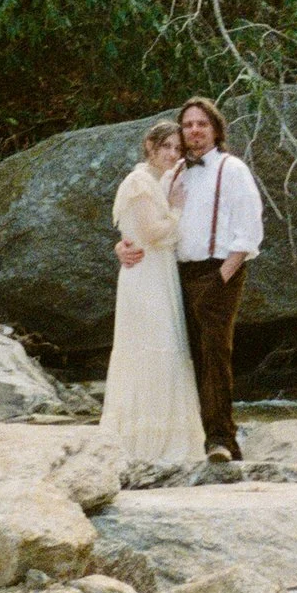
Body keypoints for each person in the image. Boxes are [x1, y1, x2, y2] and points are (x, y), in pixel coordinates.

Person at [120, 96, 261, 461]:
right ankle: (189, 438)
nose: (194, 130)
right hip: (176, 273)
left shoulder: (232, 169)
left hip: (218, 271)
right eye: (188, 124)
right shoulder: (173, 172)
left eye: (201, 123)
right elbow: (146, 218)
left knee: (215, 353)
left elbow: (250, 230)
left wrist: (223, 275)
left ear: (215, 129)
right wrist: (122, 246)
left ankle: (222, 441)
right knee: (185, 356)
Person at [100, 120, 206, 464]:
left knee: (168, 348)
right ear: (151, 146)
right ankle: (141, 443)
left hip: (162, 274)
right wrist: (176, 209)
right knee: (149, 347)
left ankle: (170, 437)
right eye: (167, 147)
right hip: (145, 276)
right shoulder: (139, 182)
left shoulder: (163, 181)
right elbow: (151, 232)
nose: (173, 154)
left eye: (178, 149)